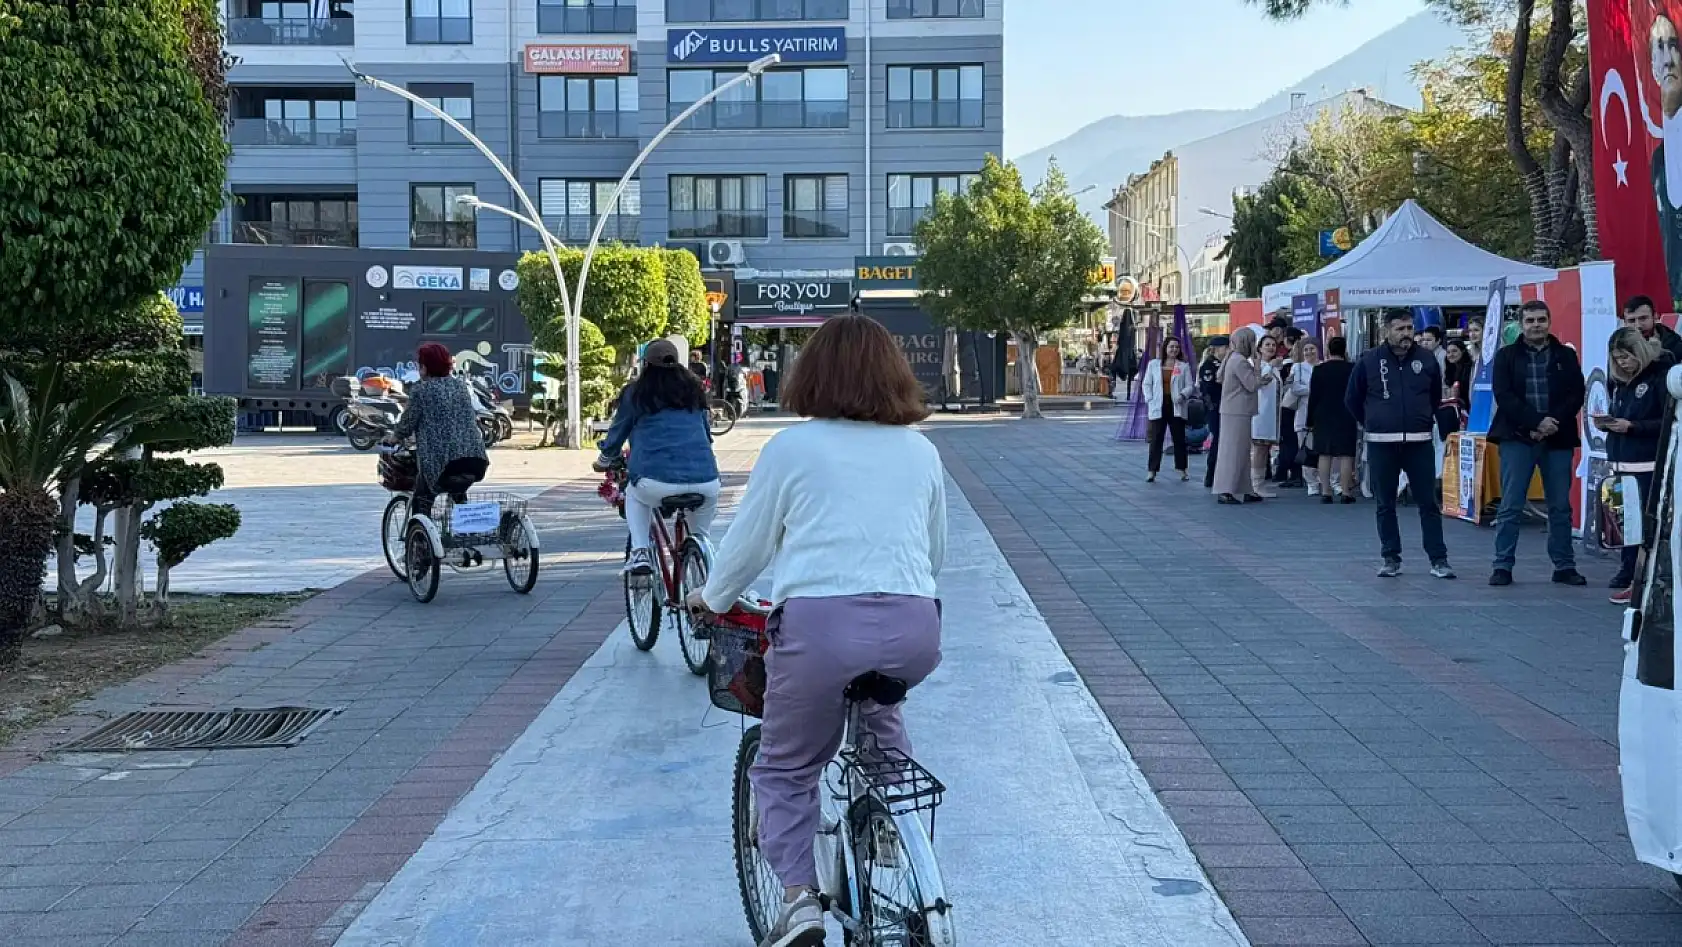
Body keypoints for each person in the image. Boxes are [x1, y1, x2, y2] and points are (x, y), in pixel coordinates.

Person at [688, 314, 945, 947]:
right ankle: (889, 822)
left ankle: (800, 902)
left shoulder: (791, 448)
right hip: (915, 626)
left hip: (822, 631)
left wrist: (709, 596)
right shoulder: (920, 448)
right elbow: (932, 554)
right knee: (881, 715)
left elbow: (747, 548)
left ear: (813, 376)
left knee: (784, 767)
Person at [594, 339, 720, 577]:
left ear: (646, 365)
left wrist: (604, 459)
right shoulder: (694, 392)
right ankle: (702, 563)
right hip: (706, 480)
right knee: (701, 535)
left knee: (634, 495)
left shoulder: (636, 393)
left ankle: (640, 552)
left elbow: (617, 434)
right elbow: (706, 436)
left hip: (654, 480)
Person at [1346, 311, 1456, 579]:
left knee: (1428, 503)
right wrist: (1373, 422)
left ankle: (1438, 559)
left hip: (1418, 442)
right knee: (1385, 503)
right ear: (1386, 331)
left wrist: (1421, 418)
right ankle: (1390, 557)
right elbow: (1352, 399)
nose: (1406, 333)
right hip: (1382, 442)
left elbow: (1433, 398)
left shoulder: (1427, 359)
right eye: (1400, 329)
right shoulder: (1369, 361)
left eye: (1410, 328)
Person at [1487, 300, 1586, 587]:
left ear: (1549, 321)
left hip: (1557, 437)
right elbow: (1504, 396)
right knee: (1511, 504)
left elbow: (1576, 393)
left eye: (1541, 319)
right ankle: (1502, 565)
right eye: (1530, 320)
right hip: (1518, 436)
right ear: (1521, 324)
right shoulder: (1506, 356)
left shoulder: (1565, 355)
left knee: (1560, 506)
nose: (1536, 325)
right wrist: (1534, 422)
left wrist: (1551, 421)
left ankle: (1564, 565)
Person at [1602, 328, 1671, 604]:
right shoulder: (1620, 382)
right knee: (1623, 523)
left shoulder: (1659, 377)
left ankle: (1641, 578)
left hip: (1645, 463)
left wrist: (1633, 427)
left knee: (1642, 524)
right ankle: (1628, 570)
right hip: (1620, 461)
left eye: (1626, 357)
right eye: (1617, 359)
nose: (1622, 364)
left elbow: (1667, 422)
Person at [387, 342, 488, 519]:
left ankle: (418, 543)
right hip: (475, 460)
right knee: (458, 489)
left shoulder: (421, 390)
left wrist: (394, 437)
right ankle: (463, 532)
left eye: (420, 365)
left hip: (441, 463)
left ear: (425, 367)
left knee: (422, 499)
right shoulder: (460, 386)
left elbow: (408, 423)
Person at [1212, 328, 1264, 504]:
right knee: (1234, 452)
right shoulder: (1240, 361)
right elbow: (1252, 384)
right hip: (1238, 411)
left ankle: (1243, 488)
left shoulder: (1232, 358)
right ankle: (1226, 489)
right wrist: (1258, 369)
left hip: (1232, 410)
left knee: (1238, 451)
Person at [1308, 335, 1359, 504]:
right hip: (1347, 414)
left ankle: (1325, 491)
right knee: (1346, 454)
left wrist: (1309, 419)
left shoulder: (1319, 370)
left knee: (1324, 453)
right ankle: (1345, 492)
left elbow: (1313, 397)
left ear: (1328, 350)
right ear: (1344, 350)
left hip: (1323, 415)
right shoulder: (1352, 368)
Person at [1142, 336, 1195, 482]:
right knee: (1156, 439)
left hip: (1176, 405)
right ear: (1165, 348)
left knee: (1179, 439)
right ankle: (1152, 470)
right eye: (1171, 347)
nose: (1174, 350)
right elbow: (1146, 384)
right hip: (1158, 405)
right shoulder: (1154, 365)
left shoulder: (1183, 366)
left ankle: (1182, 469)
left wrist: (1183, 395)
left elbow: (1190, 385)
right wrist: (1150, 399)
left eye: (1176, 347)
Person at [1287, 338, 1322, 496]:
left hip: (1322, 415)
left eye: (1312, 349)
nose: (1309, 352)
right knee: (1306, 449)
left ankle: (1325, 479)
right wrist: (1313, 389)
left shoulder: (1323, 366)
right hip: (1303, 414)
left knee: (1323, 450)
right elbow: (1295, 389)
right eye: (1306, 349)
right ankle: (1311, 483)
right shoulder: (1298, 367)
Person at [1250, 334, 1284, 498]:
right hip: (1261, 413)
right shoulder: (1258, 365)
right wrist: (1270, 365)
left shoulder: (1274, 367)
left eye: (1273, 345)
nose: (1271, 347)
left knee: (1265, 449)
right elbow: (1261, 380)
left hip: (1272, 413)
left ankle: (1260, 483)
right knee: (1259, 449)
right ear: (1259, 348)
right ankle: (1256, 485)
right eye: (1267, 345)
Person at [1199, 336, 1229, 488]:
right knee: (1218, 440)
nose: (1228, 350)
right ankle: (1211, 474)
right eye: (1225, 347)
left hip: (1228, 407)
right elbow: (1208, 388)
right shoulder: (1209, 366)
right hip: (1215, 408)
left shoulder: (1227, 364)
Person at [1623, 295, 1682, 363]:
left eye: (1643, 318)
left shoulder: (1674, 344)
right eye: (1631, 321)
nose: (1638, 325)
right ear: (1625, 323)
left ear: (1655, 317)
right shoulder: (1619, 347)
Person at [1443, 338, 1474, 416]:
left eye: (1454, 351)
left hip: (1470, 407)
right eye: (1448, 352)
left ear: (1463, 351)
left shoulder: (1470, 368)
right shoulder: (1450, 369)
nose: (1451, 355)